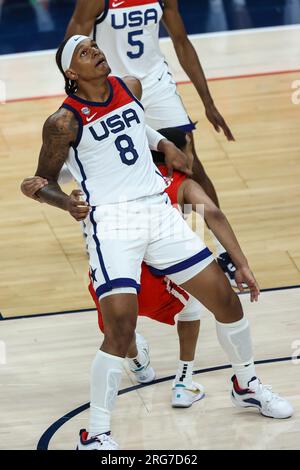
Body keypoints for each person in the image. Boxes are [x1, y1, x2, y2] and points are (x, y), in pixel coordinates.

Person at [22, 36, 292, 450]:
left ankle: (246, 383)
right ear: (71, 74)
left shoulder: (129, 86)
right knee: (120, 329)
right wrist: (64, 203)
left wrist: (163, 143)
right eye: (83, 52)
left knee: (226, 300)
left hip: (158, 212)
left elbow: (136, 124)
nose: (95, 50)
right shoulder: (63, 122)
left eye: (94, 45)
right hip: (112, 223)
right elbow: (41, 181)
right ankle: (94, 434)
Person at [63, 0, 239, 285]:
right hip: (113, 87)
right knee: (107, 168)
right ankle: (95, 226)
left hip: (156, 85)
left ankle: (220, 254)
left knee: (191, 167)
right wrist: (78, 107)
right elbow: (70, 53)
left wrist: (208, 101)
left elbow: (181, 42)